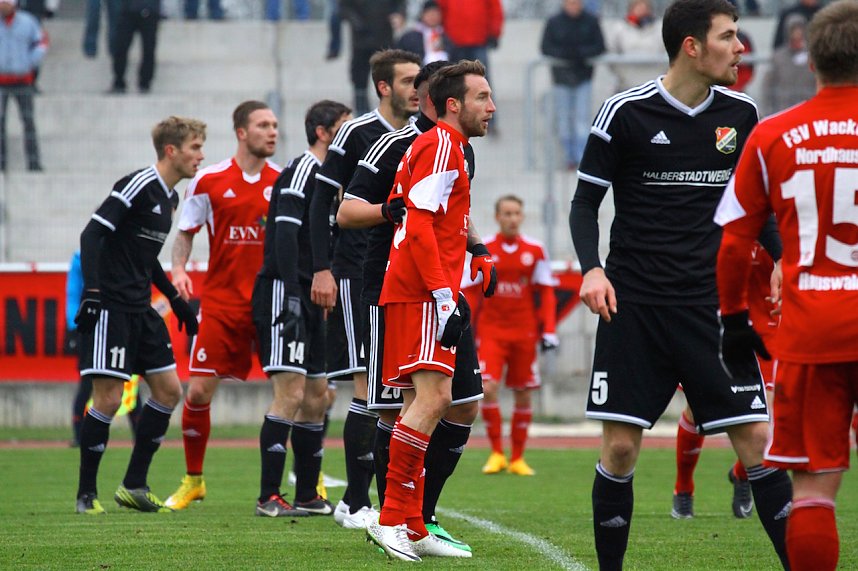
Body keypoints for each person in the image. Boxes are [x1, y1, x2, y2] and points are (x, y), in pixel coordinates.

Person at [568, 0, 793, 568]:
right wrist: (591, 268)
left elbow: (758, 203)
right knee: (620, 449)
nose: (741, 48)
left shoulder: (742, 115)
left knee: (760, 448)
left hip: (713, 311)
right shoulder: (623, 113)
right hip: (635, 307)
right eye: (729, 37)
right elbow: (584, 203)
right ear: (692, 46)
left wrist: (783, 257)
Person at [715, 3, 858, 568]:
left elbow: (732, 243)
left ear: (812, 57)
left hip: (811, 330)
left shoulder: (774, 134)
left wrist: (731, 322)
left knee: (814, 492)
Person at [337, 59, 490, 555]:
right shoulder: (440, 144)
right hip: (420, 291)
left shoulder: (447, 146)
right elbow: (417, 224)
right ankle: (389, 519)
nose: (492, 107)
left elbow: (439, 220)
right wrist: (445, 294)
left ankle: (413, 525)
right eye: (482, 97)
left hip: (422, 288)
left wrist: (476, 253)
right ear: (453, 104)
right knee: (429, 402)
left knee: (425, 402)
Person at [308, 48, 420, 530]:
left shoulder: (423, 135)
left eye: (421, 80)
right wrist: (322, 268)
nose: (418, 88)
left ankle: (378, 500)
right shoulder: (356, 133)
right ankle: (354, 502)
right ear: (383, 86)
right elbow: (321, 203)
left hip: (402, 276)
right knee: (364, 383)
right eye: (409, 80)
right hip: (354, 271)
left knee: (394, 391)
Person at [74, 116, 205, 515]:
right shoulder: (137, 185)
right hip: (112, 307)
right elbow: (91, 235)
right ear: (171, 150)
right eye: (195, 148)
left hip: (141, 309)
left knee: (168, 391)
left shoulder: (171, 199)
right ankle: (85, 495)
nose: (200, 156)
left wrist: (175, 300)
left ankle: (134, 484)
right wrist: (94, 291)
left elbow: (146, 260)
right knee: (109, 399)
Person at [163, 101, 281, 511]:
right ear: (241, 132)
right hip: (221, 303)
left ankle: (309, 484)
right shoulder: (209, 180)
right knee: (196, 390)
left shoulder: (283, 183)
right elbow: (185, 232)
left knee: (305, 393)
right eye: (263, 125)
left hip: (271, 303)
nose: (272, 131)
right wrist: (178, 269)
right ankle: (193, 479)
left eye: (275, 125)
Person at [251, 99, 352, 517]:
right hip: (286, 292)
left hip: (315, 297)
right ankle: (268, 496)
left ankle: (308, 494)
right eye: (343, 128)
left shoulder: (333, 179)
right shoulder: (303, 169)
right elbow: (285, 236)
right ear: (324, 132)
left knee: (316, 397)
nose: (350, 135)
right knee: (290, 392)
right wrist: (293, 291)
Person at [672, 241, 780, 519]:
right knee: (696, 410)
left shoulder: (783, 224)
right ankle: (683, 488)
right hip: (718, 327)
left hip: (769, 331)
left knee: (769, 413)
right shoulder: (719, 221)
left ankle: (742, 474)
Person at [462, 195, 558, 477]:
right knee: (489, 388)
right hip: (492, 331)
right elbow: (469, 288)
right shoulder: (485, 249)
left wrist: (549, 330)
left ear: (522, 216)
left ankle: (517, 457)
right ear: (497, 217)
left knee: (524, 392)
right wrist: (466, 324)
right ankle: (496, 453)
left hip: (524, 332)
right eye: (507, 213)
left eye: (517, 213)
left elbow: (547, 291)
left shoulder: (535, 250)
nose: (512, 218)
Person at [68, 250, 142, 447]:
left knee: (128, 383)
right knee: (90, 384)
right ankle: (79, 436)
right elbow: (74, 293)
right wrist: (74, 326)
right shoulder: (81, 258)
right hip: (92, 326)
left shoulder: (122, 253)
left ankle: (138, 437)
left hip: (117, 323)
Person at [540, 0, 605, 170]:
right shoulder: (555, 22)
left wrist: (580, 54)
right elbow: (546, 46)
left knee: (581, 119)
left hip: (583, 76)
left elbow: (599, 46)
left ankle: (581, 156)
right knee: (563, 119)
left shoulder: (590, 21)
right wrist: (566, 55)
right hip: (561, 78)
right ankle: (569, 156)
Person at [336, 0, 406, 114]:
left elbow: (399, 4)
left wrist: (399, 14)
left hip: (384, 37)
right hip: (361, 40)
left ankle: (391, 108)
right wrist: (357, 23)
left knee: (388, 75)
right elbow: (344, 7)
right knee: (359, 77)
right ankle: (362, 110)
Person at [0, 0, 45, 172]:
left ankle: (34, 162)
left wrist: (29, 63)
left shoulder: (28, 22)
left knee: (28, 121)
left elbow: (41, 43)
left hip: (22, 80)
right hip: (1, 82)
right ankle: (1, 162)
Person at [762, 15, 816, 117]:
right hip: (784, 110)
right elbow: (767, 86)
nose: (797, 34)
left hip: (809, 110)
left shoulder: (813, 57)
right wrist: (768, 112)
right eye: (793, 30)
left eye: (800, 30)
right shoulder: (778, 57)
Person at [605, 0, 664, 93]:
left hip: (654, 84)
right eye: (638, 7)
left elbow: (666, 52)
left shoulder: (660, 28)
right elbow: (611, 52)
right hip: (626, 84)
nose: (642, 10)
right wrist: (622, 75)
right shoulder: (619, 28)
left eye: (645, 7)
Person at [436, 0, 503, 80]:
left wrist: (494, 32)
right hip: (454, 43)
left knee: (480, 77)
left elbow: (495, 10)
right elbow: (439, 8)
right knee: (456, 79)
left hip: (478, 41)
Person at [109, 0, 160, 94]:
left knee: (148, 49)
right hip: (128, 10)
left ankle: (145, 82)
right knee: (121, 47)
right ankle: (119, 80)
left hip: (149, 10)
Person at [396, 1, 448, 65]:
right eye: (429, 13)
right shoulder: (410, 37)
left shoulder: (447, 36)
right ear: (422, 15)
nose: (432, 16)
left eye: (435, 13)